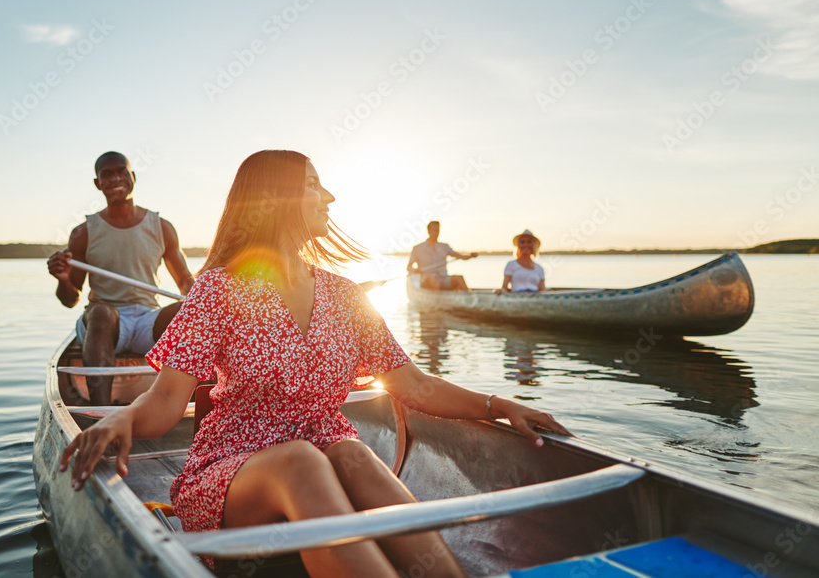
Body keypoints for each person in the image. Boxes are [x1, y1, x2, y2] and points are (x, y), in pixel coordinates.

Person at [60, 150, 571, 578]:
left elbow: (414, 385)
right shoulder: (218, 290)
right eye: (313, 185)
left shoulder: (345, 296)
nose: (329, 197)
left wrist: (499, 404)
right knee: (303, 456)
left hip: (327, 455)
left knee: (355, 456)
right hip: (233, 476)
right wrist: (123, 418)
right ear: (275, 201)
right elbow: (168, 399)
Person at [47, 151, 195, 405]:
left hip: (148, 319)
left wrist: (207, 296)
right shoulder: (83, 232)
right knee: (103, 313)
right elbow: (71, 300)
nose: (115, 178)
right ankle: (101, 415)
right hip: (106, 325)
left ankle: (188, 406)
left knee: (188, 310)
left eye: (121, 172)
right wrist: (62, 279)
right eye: (107, 174)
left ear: (133, 177)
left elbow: (185, 283)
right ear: (97, 184)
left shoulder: (162, 227)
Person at [406, 221, 478, 291]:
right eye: (434, 230)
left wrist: (470, 256)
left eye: (438, 230)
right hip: (427, 279)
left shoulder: (444, 246)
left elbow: (460, 257)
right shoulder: (418, 248)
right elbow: (409, 267)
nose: (436, 233)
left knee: (459, 278)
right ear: (428, 231)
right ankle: (437, 300)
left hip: (443, 278)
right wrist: (415, 270)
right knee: (431, 278)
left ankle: (469, 298)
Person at [495, 229, 546, 295]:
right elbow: (504, 288)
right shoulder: (511, 265)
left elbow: (542, 290)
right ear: (519, 246)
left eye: (529, 242)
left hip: (535, 297)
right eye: (522, 242)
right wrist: (499, 291)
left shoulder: (539, 268)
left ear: (533, 245)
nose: (525, 245)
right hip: (516, 297)